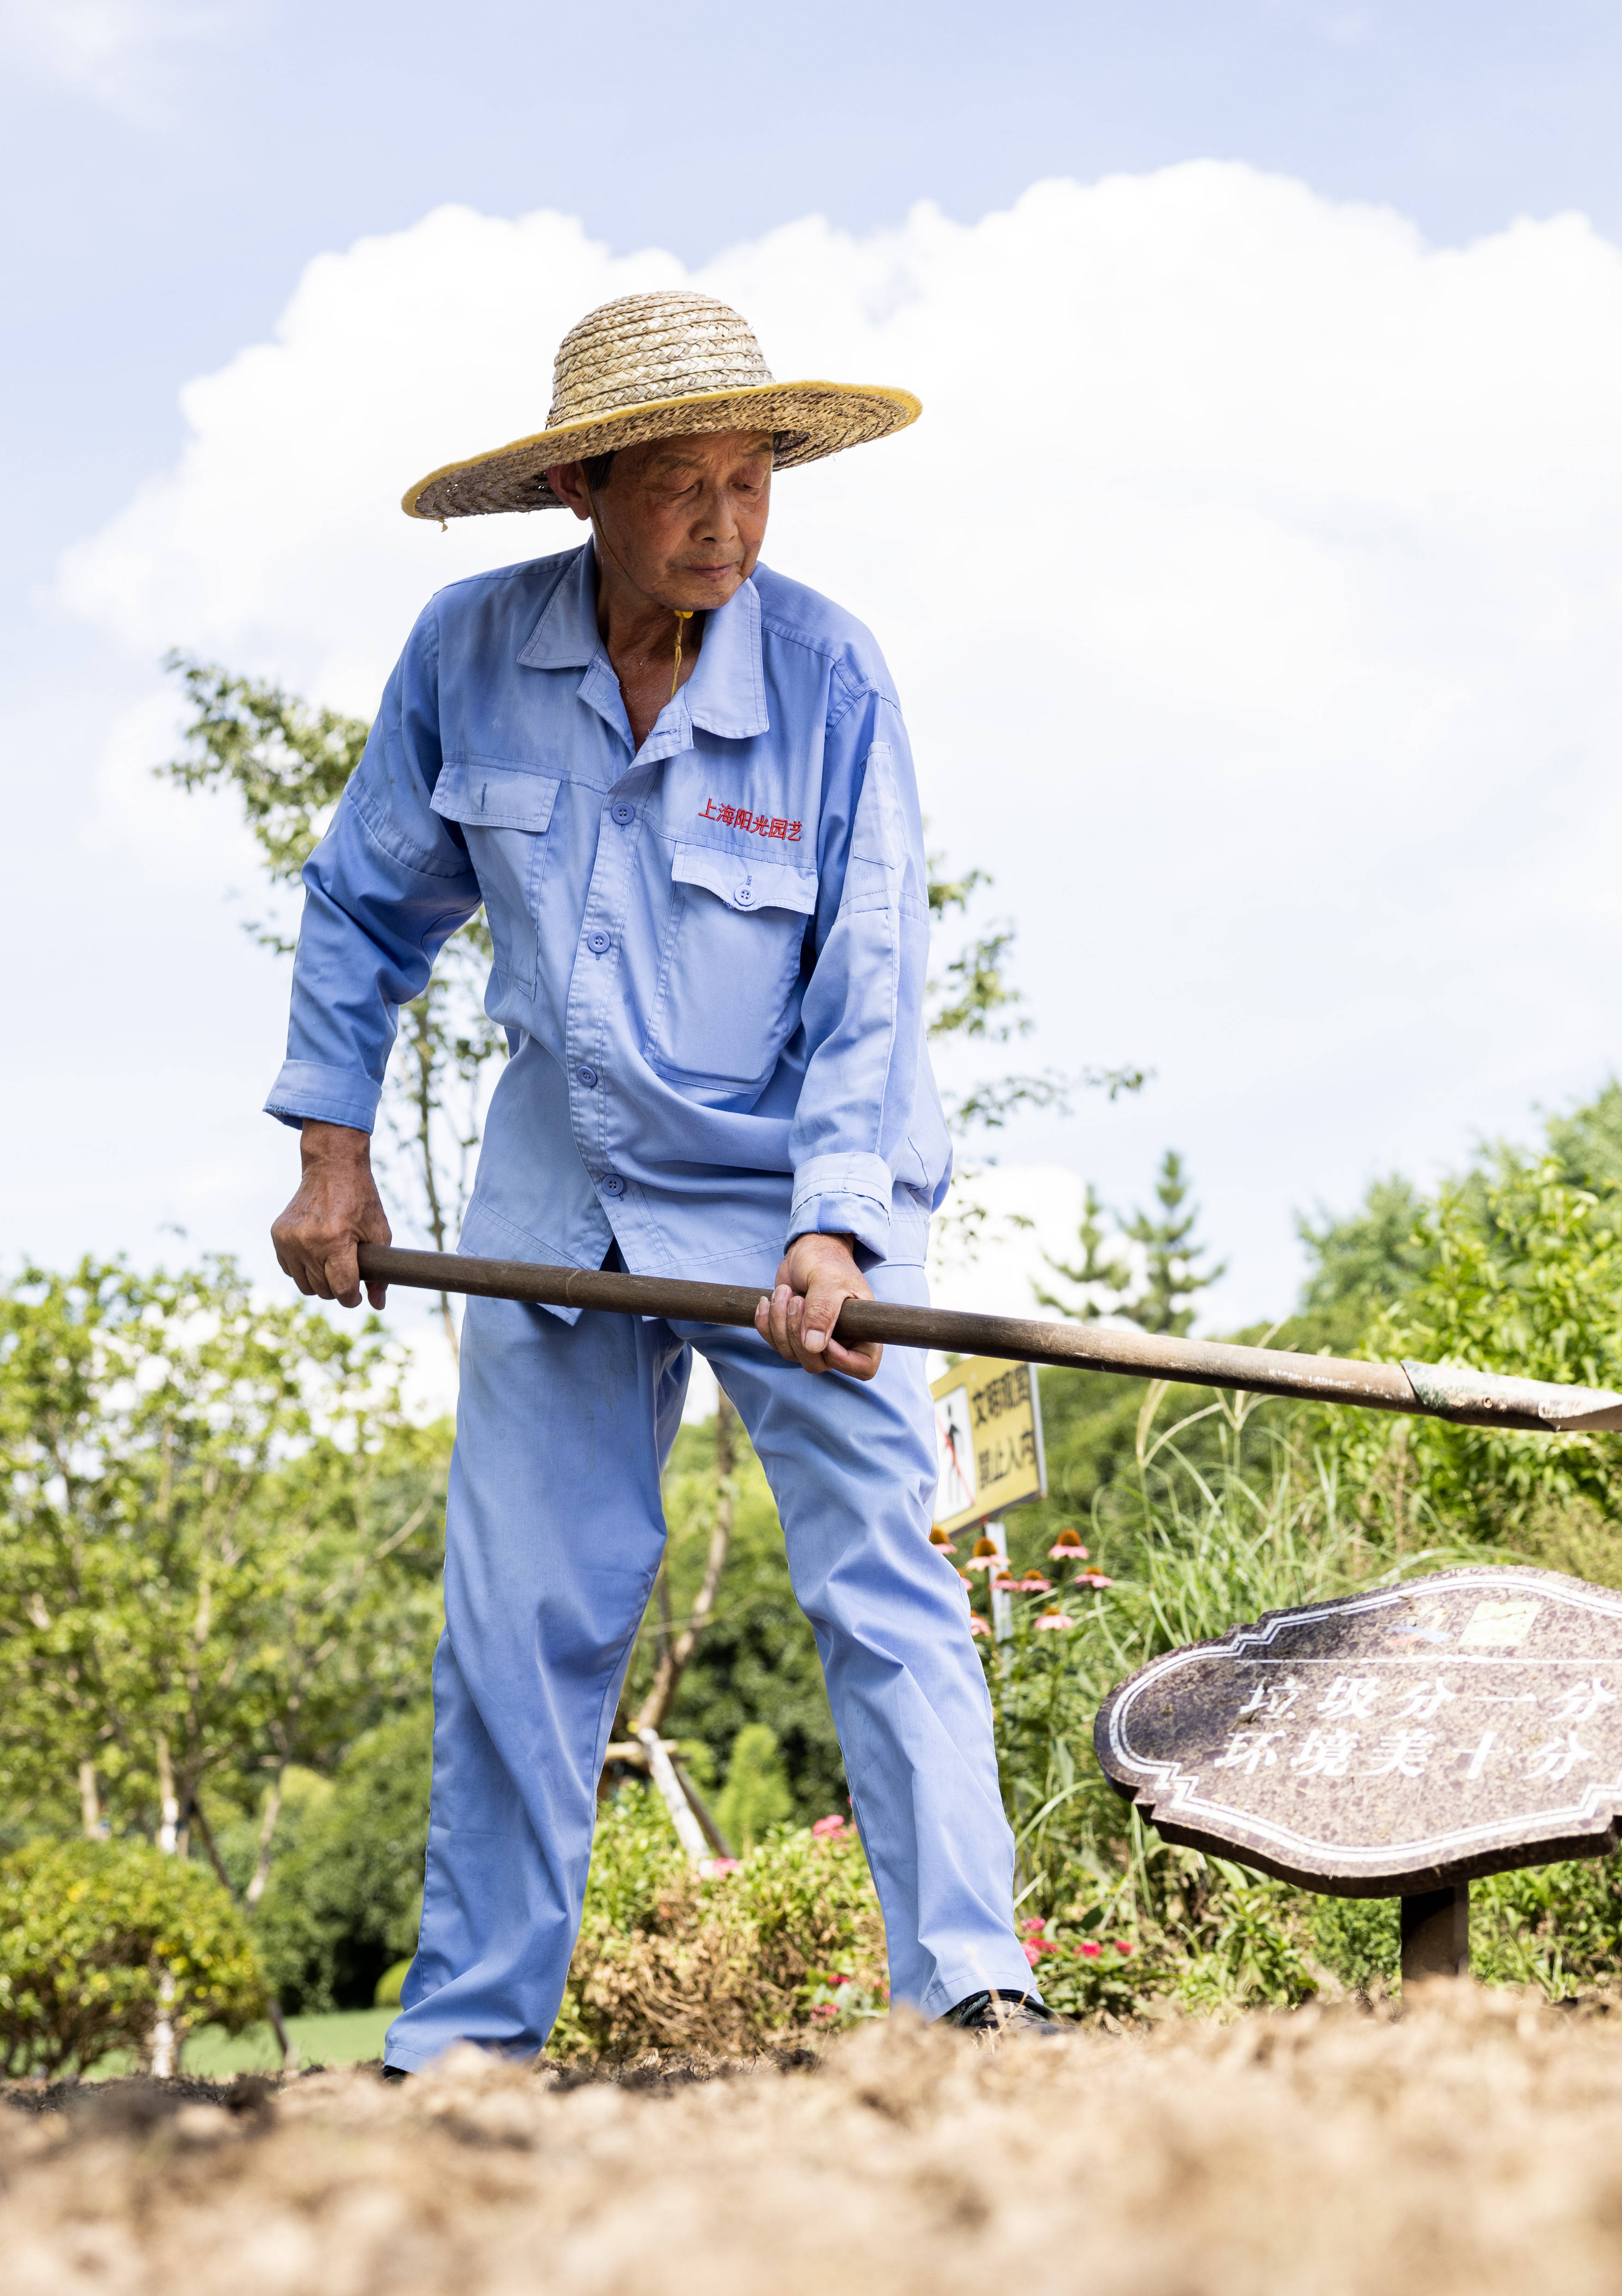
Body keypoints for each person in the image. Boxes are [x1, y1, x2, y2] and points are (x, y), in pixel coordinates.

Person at [267, 291, 1053, 2068]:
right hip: (565, 1180)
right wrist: (334, 1157)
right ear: (580, 491)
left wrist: (837, 1222)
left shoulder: (832, 675)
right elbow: (363, 904)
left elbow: (870, 974)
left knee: (884, 1576)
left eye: (751, 483)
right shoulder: (469, 654)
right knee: (521, 1624)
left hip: (801, 1189)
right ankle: (465, 2047)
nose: (721, 523)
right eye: (680, 486)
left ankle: (975, 1989)